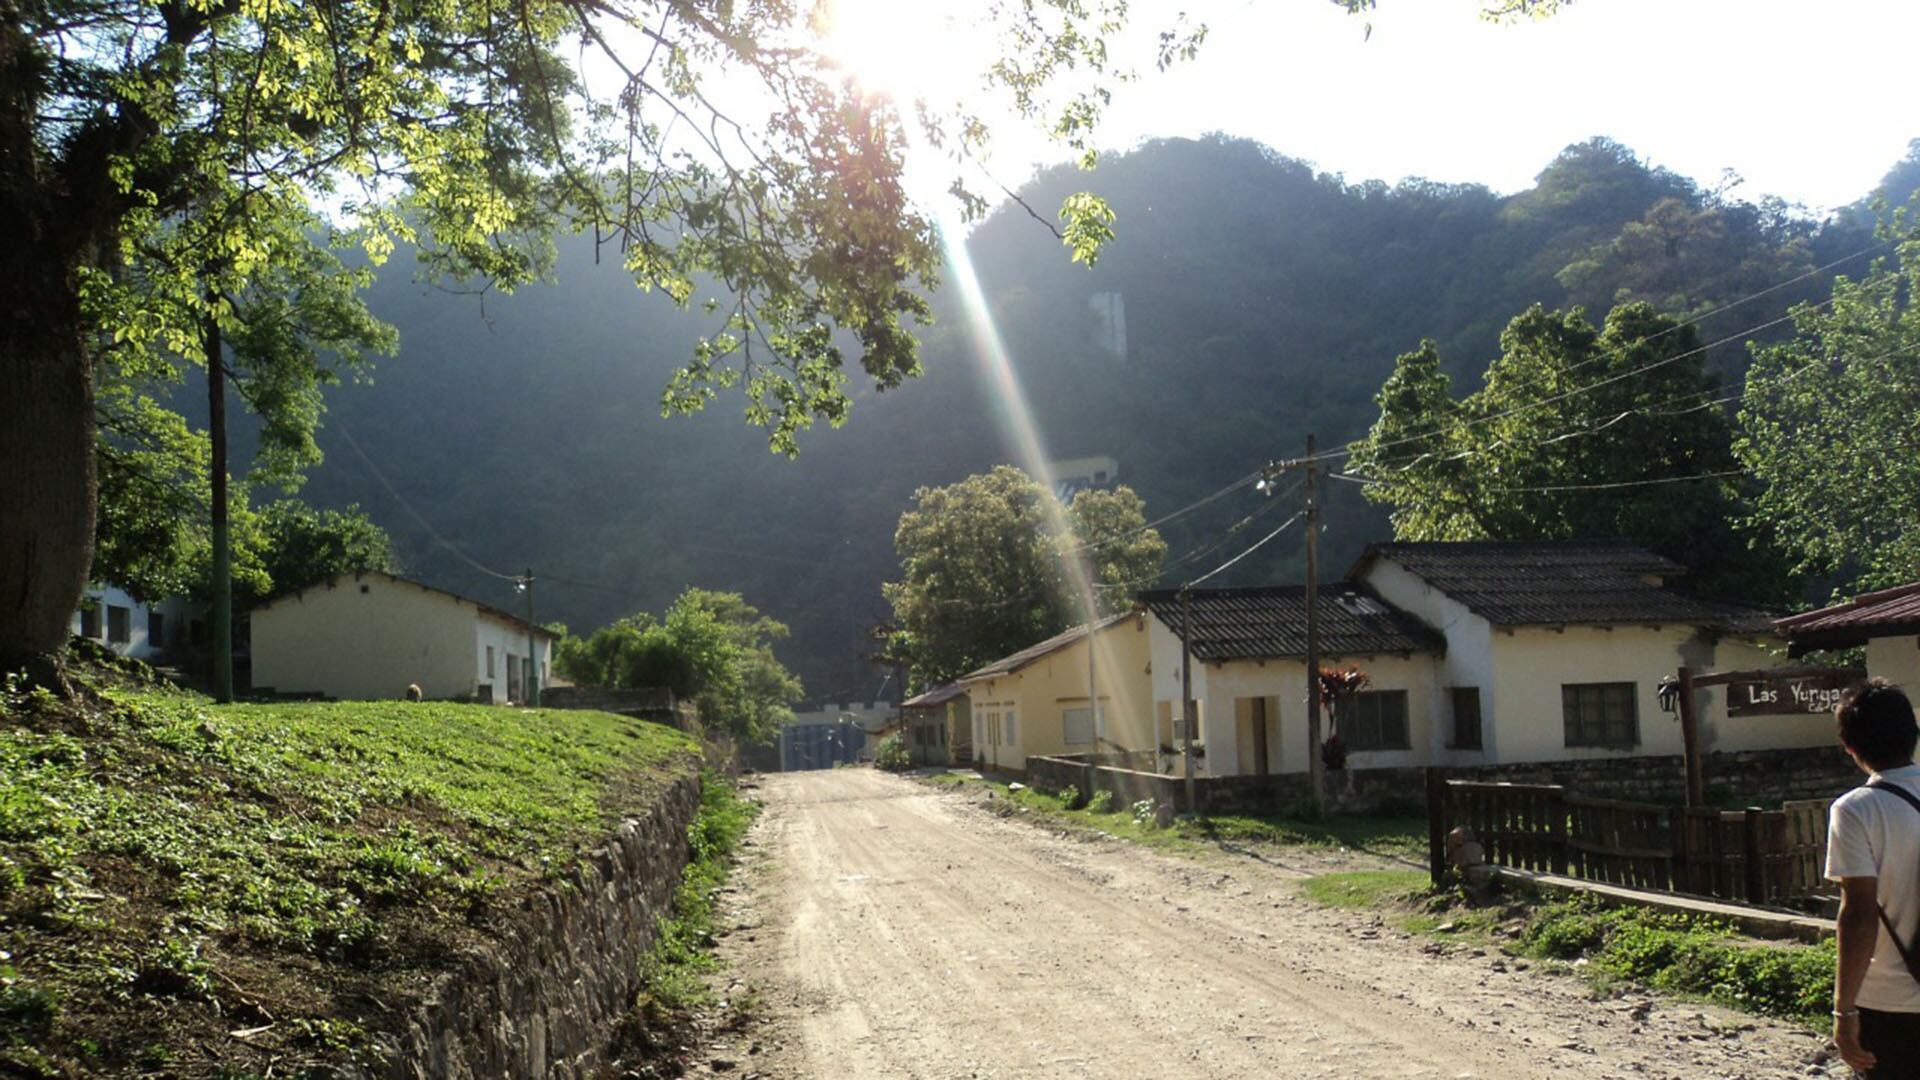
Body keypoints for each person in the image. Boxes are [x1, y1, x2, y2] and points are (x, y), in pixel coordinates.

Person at [1827, 679, 1920, 1076]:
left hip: (1892, 1003)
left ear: (1851, 748)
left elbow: (1859, 914)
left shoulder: (1856, 811)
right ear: (1914, 733)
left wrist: (1844, 1011)